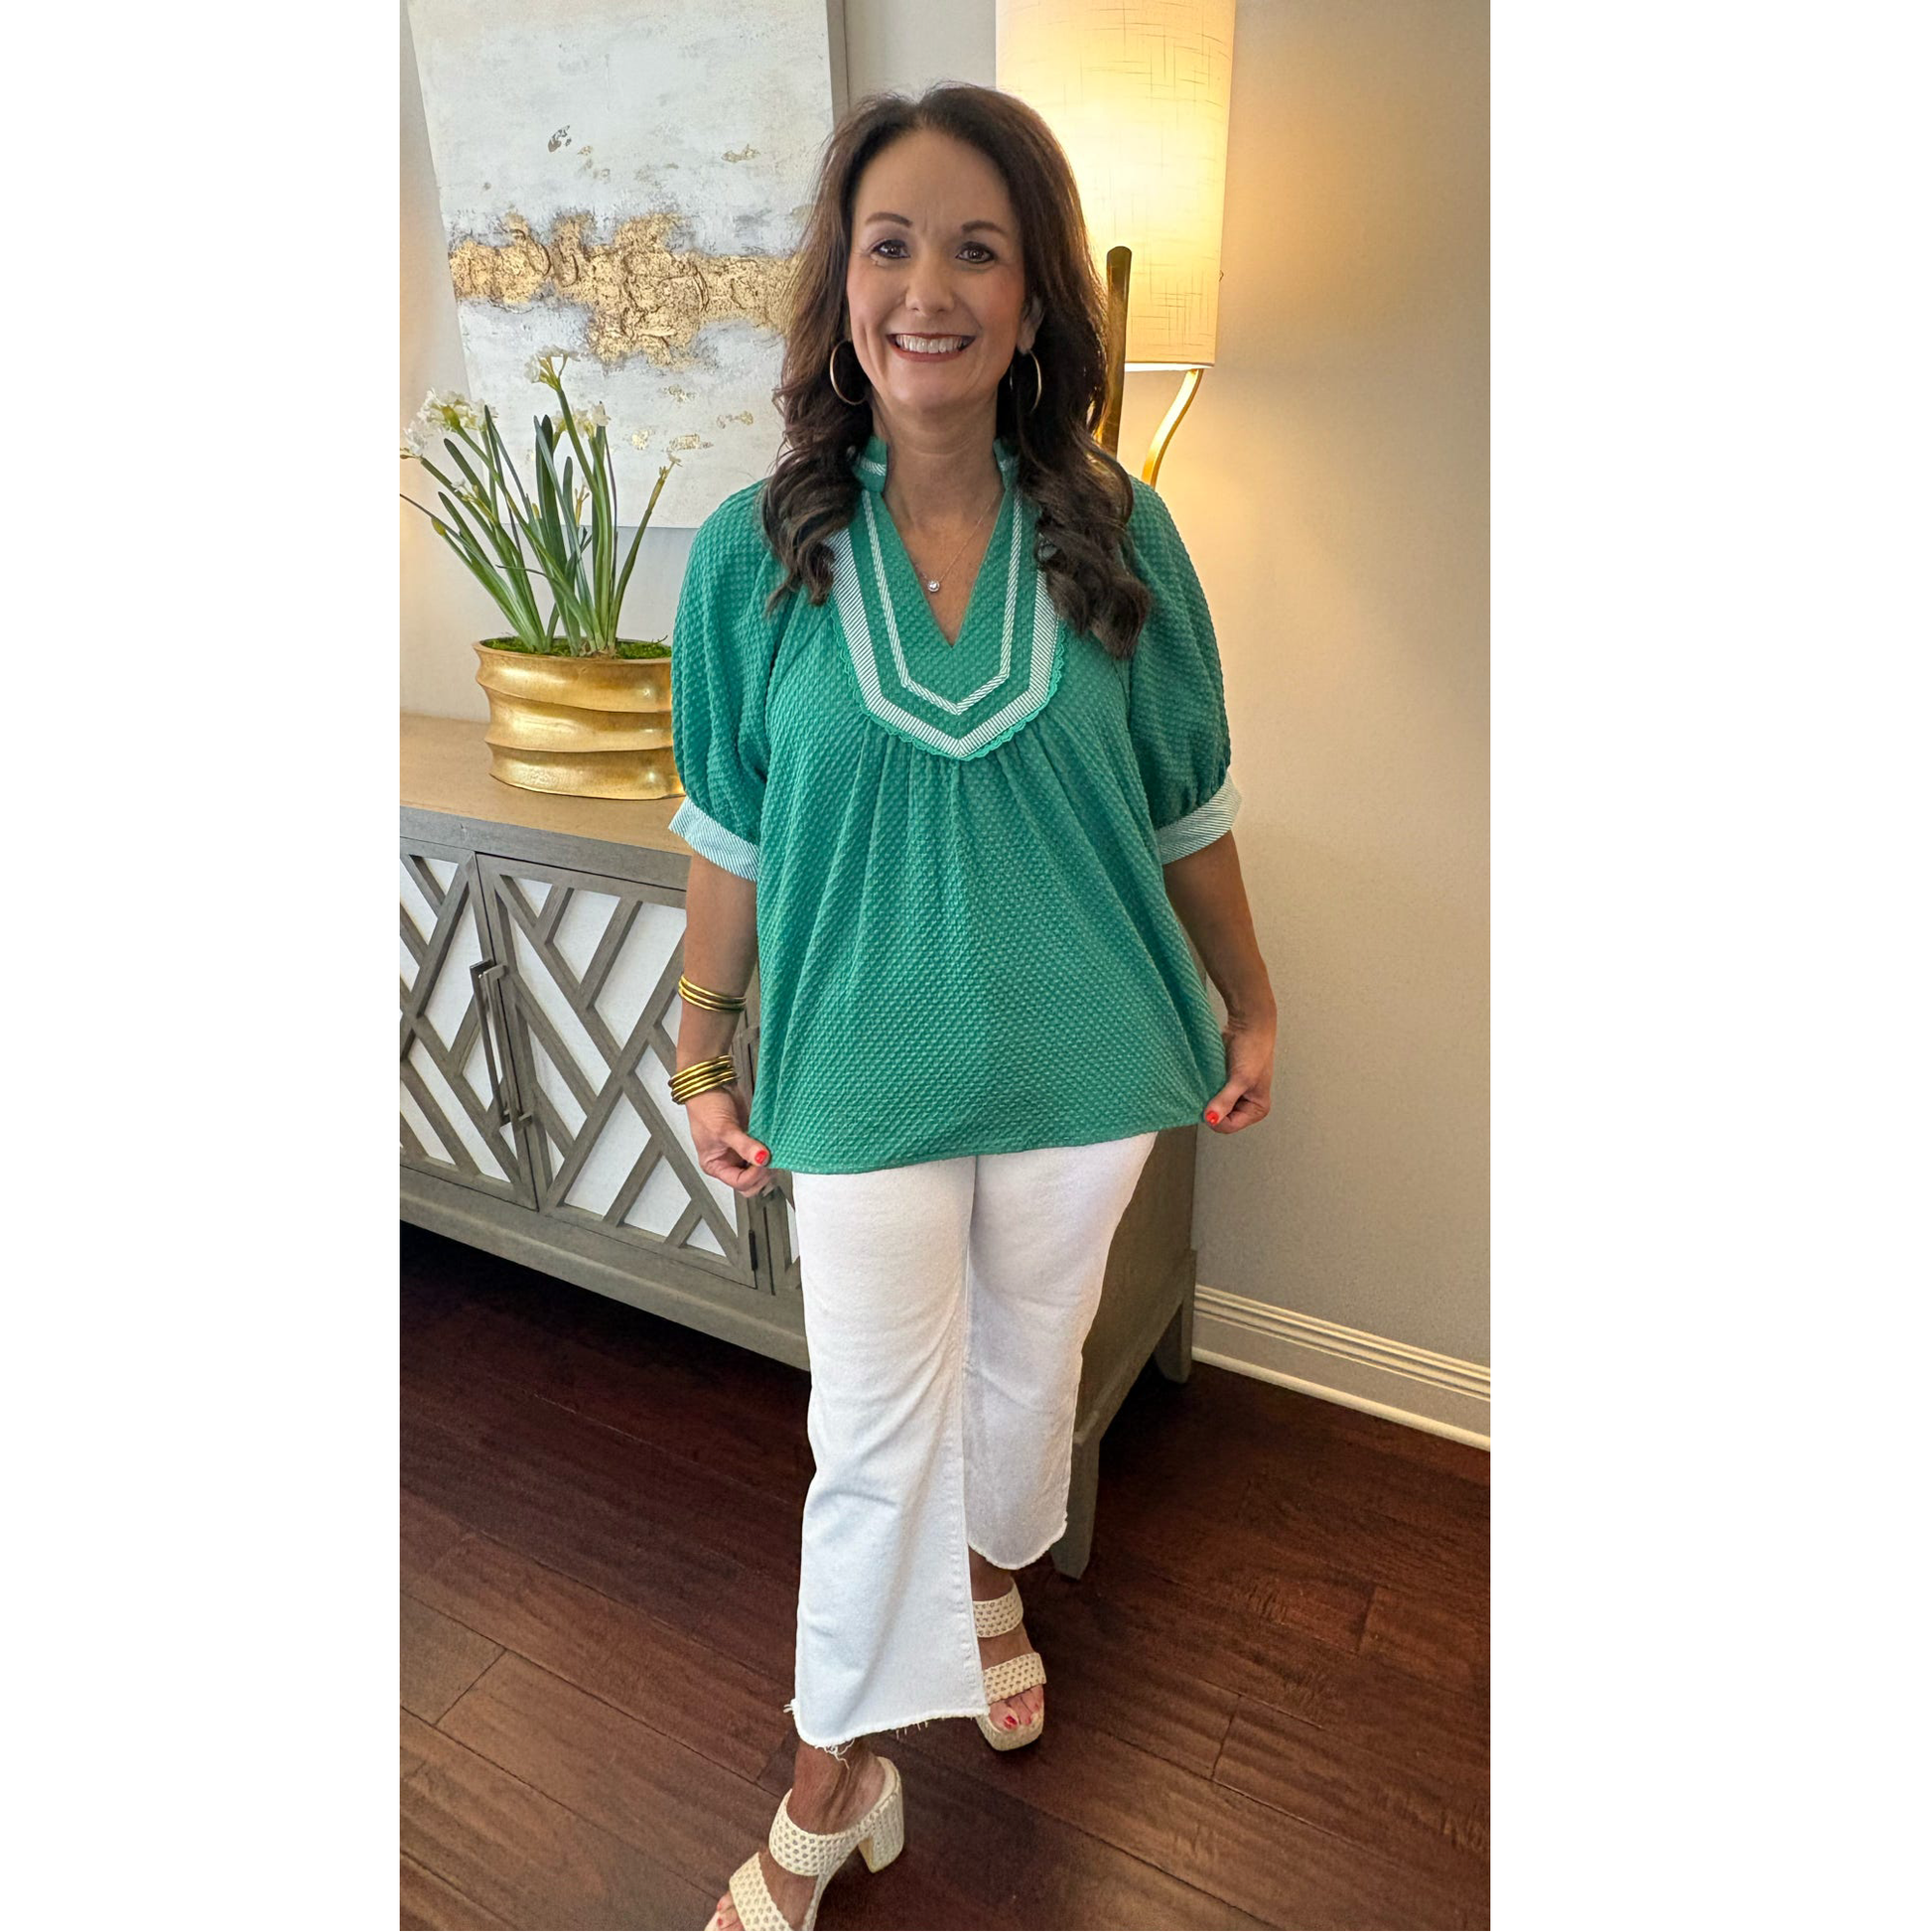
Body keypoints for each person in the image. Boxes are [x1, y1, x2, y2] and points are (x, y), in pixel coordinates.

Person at [666, 82, 1279, 1932]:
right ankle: (830, 1781)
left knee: (1029, 1372)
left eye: (976, 248)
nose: (926, 287)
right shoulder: (753, 553)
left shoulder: (1121, 531)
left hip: (1090, 1061)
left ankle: (997, 1574)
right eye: (889, 244)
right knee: (868, 1440)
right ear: (841, 285)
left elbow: (1185, 806)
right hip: (859, 1069)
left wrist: (1249, 1000)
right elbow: (727, 835)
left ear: (1031, 302)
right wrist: (701, 1044)